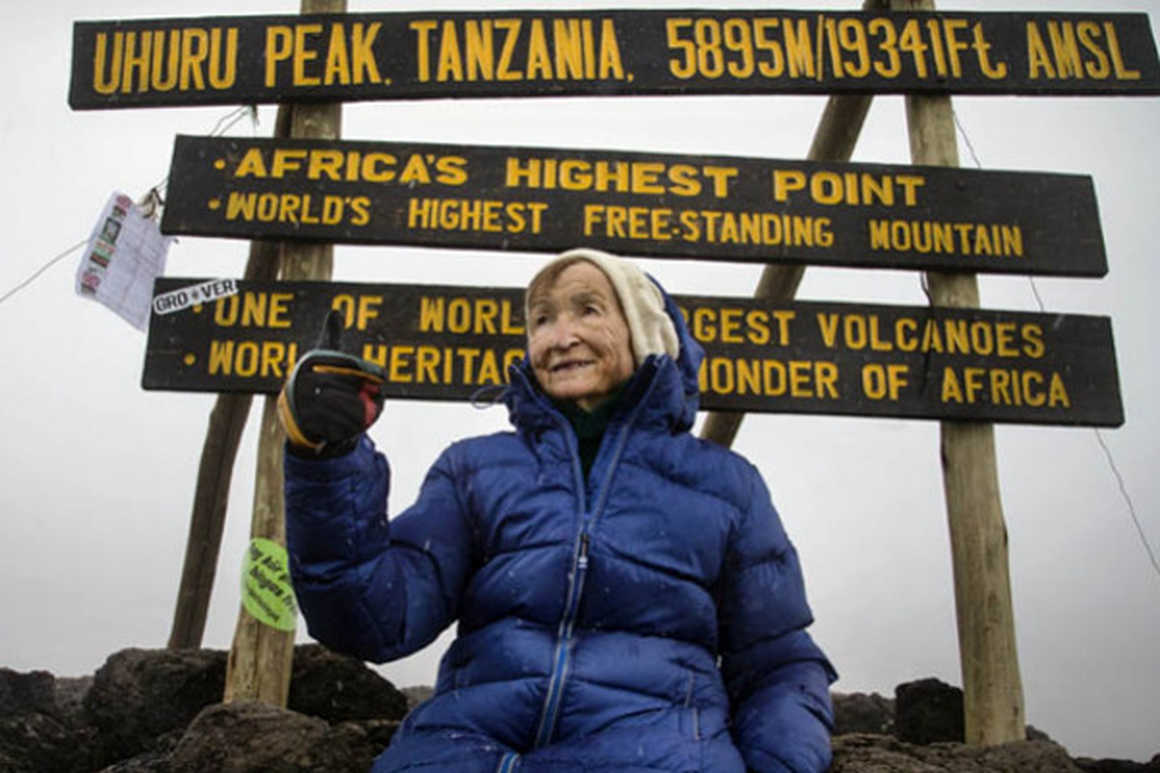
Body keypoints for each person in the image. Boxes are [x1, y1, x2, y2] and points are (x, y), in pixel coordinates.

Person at [278, 247, 836, 772]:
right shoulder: (473, 469)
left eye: (587, 310)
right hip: (463, 748)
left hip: (655, 754)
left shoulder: (727, 486)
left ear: (644, 334)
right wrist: (328, 461)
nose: (560, 336)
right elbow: (375, 620)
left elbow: (779, 662)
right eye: (541, 320)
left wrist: (780, 764)